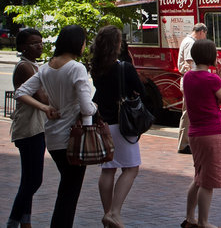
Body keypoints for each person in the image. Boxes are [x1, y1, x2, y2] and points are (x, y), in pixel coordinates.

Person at [15, 25, 97, 228]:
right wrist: (95, 107)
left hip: (52, 137)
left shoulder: (46, 68)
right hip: (74, 138)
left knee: (66, 188)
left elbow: (21, 92)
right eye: (84, 40)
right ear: (77, 43)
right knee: (69, 193)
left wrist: (45, 107)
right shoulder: (76, 68)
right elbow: (87, 108)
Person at [91, 25, 145, 228]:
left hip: (103, 122)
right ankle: (114, 212)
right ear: (117, 44)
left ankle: (108, 215)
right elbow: (140, 90)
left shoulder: (96, 66)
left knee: (108, 170)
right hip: (123, 124)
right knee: (131, 168)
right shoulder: (124, 67)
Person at [182, 39, 221, 228]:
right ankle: (203, 222)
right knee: (207, 181)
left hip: (195, 132)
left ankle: (190, 218)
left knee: (199, 177)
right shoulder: (212, 79)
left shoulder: (188, 77)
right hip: (213, 131)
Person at [8, 28, 46, 228]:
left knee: (29, 179)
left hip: (36, 127)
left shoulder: (34, 65)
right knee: (33, 180)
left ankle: (25, 221)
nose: (39, 45)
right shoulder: (25, 67)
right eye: (34, 43)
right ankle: (14, 220)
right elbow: (42, 97)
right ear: (23, 47)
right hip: (29, 129)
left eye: (40, 42)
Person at [178, 23, 208, 154]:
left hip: (188, 81)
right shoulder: (191, 43)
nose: (204, 38)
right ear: (201, 32)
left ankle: (187, 142)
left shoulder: (187, 40)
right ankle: (184, 144)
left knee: (189, 113)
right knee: (188, 114)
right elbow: (189, 64)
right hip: (190, 82)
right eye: (205, 34)